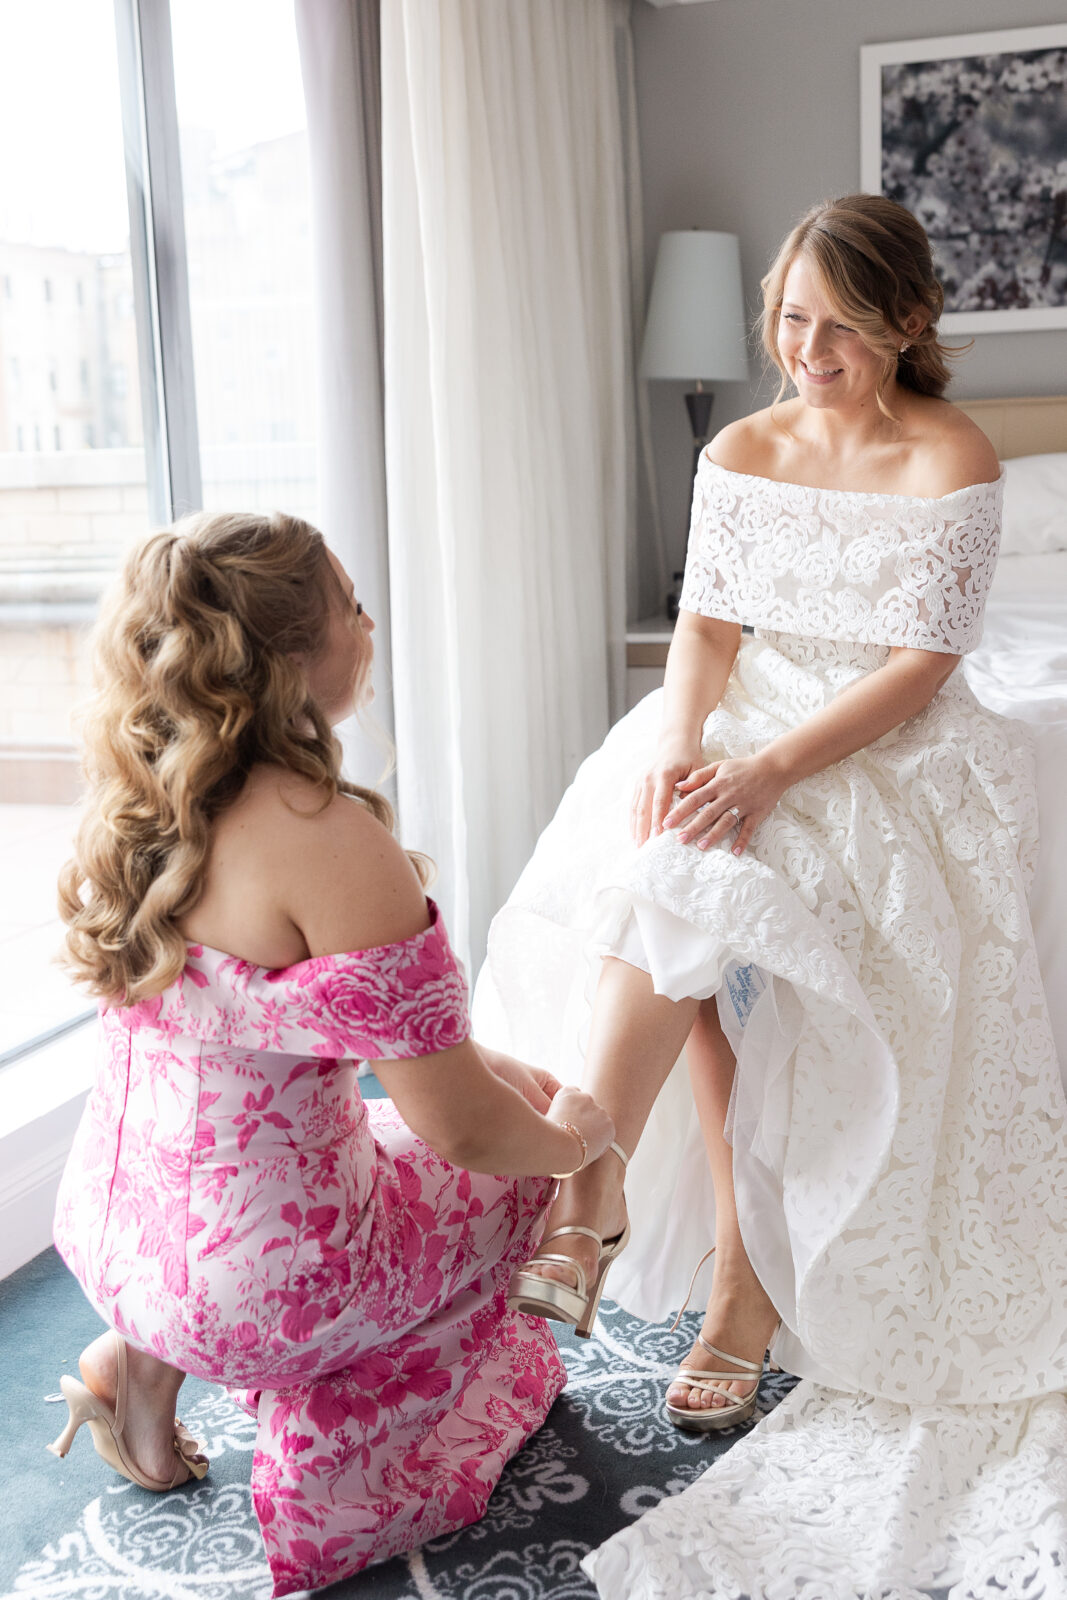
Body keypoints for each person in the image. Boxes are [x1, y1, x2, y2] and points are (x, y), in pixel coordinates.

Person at [477, 195, 1067, 1594]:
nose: (804, 347)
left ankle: (592, 1186)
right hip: (741, 722)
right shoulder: (738, 447)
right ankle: (635, 1206)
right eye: (789, 317)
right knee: (665, 848)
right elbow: (703, 629)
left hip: (874, 741)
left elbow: (914, 669)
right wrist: (683, 746)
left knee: (721, 863)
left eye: (838, 325)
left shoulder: (953, 454)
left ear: (906, 325)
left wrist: (760, 777)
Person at [48, 511, 617, 1599]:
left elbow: (275, 1027)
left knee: (442, 1110)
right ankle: (336, 1441)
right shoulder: (323, 835)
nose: (370, 623)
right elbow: (463, 1128)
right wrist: (574, 1141)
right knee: (510, 1183)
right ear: (291, 660)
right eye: (352, 605)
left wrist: (491, 1068)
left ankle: (140, 1371)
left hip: (116, 1232)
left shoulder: (142, 799)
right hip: (274, 1288)